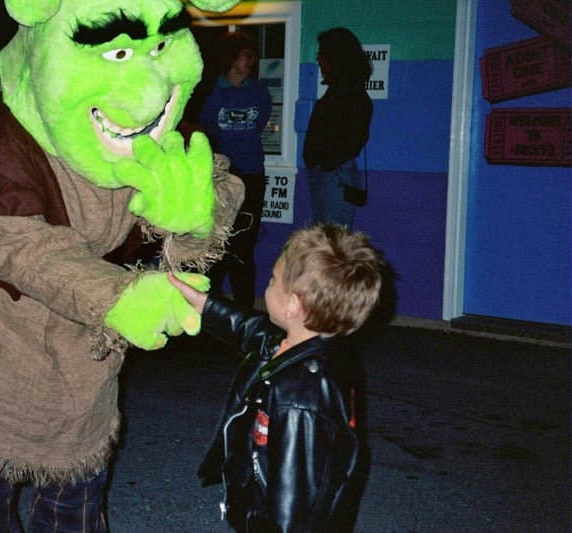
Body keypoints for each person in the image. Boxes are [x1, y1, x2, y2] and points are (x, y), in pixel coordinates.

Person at [0, 1, 243, 531]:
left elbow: (213, 179)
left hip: (83, 357)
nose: (152, 92)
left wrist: (195, 213)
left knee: (76, 497)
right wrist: (120, 298)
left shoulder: (145, 132)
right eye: (116, 51)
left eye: (159, 48)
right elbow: (19, 246)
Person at [168, 223, 385, 532]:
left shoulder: (299, 396)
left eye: (273, 279)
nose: (267, 285)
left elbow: (296, 503)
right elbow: (253, 331)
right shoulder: (309, 344)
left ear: (293, 304)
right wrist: (205, 304)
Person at [197, 31, 272, 308]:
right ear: (232, 58)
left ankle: (244, 314)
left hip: (252, 176)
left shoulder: (259, 92)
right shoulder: (212, 93)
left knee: (244, 247)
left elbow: (260, 123)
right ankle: (212, 312)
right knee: (217, 245)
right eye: (247, 55)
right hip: (222, 178)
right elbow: (203, 132)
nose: (253, 60)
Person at [303, 27, 373, 228]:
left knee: (332, 243)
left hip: (334, 177)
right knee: (330, 239)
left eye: (321, 53)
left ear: (335, 56)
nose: (318, 58)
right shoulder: (344, 91)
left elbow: (355, 139)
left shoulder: (349, 94)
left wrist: (327, 163)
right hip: (331, 175)